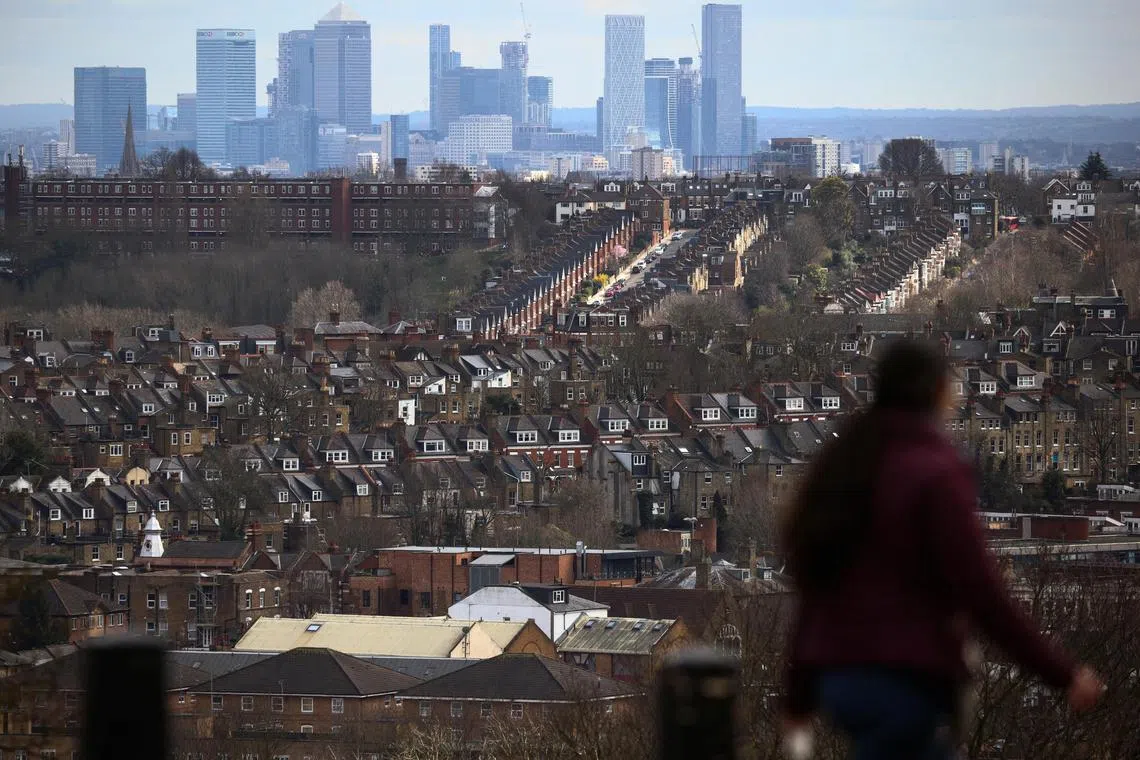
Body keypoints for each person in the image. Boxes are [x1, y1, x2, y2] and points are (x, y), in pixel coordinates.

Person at [780, 339, 1103, 759]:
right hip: (906, 678)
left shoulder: (843, 464)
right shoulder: (933, 471)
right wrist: (1062, 673)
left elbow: (815, 587)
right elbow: (980, 589)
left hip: (843, 682)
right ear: (937, 393)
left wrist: (798, 697)